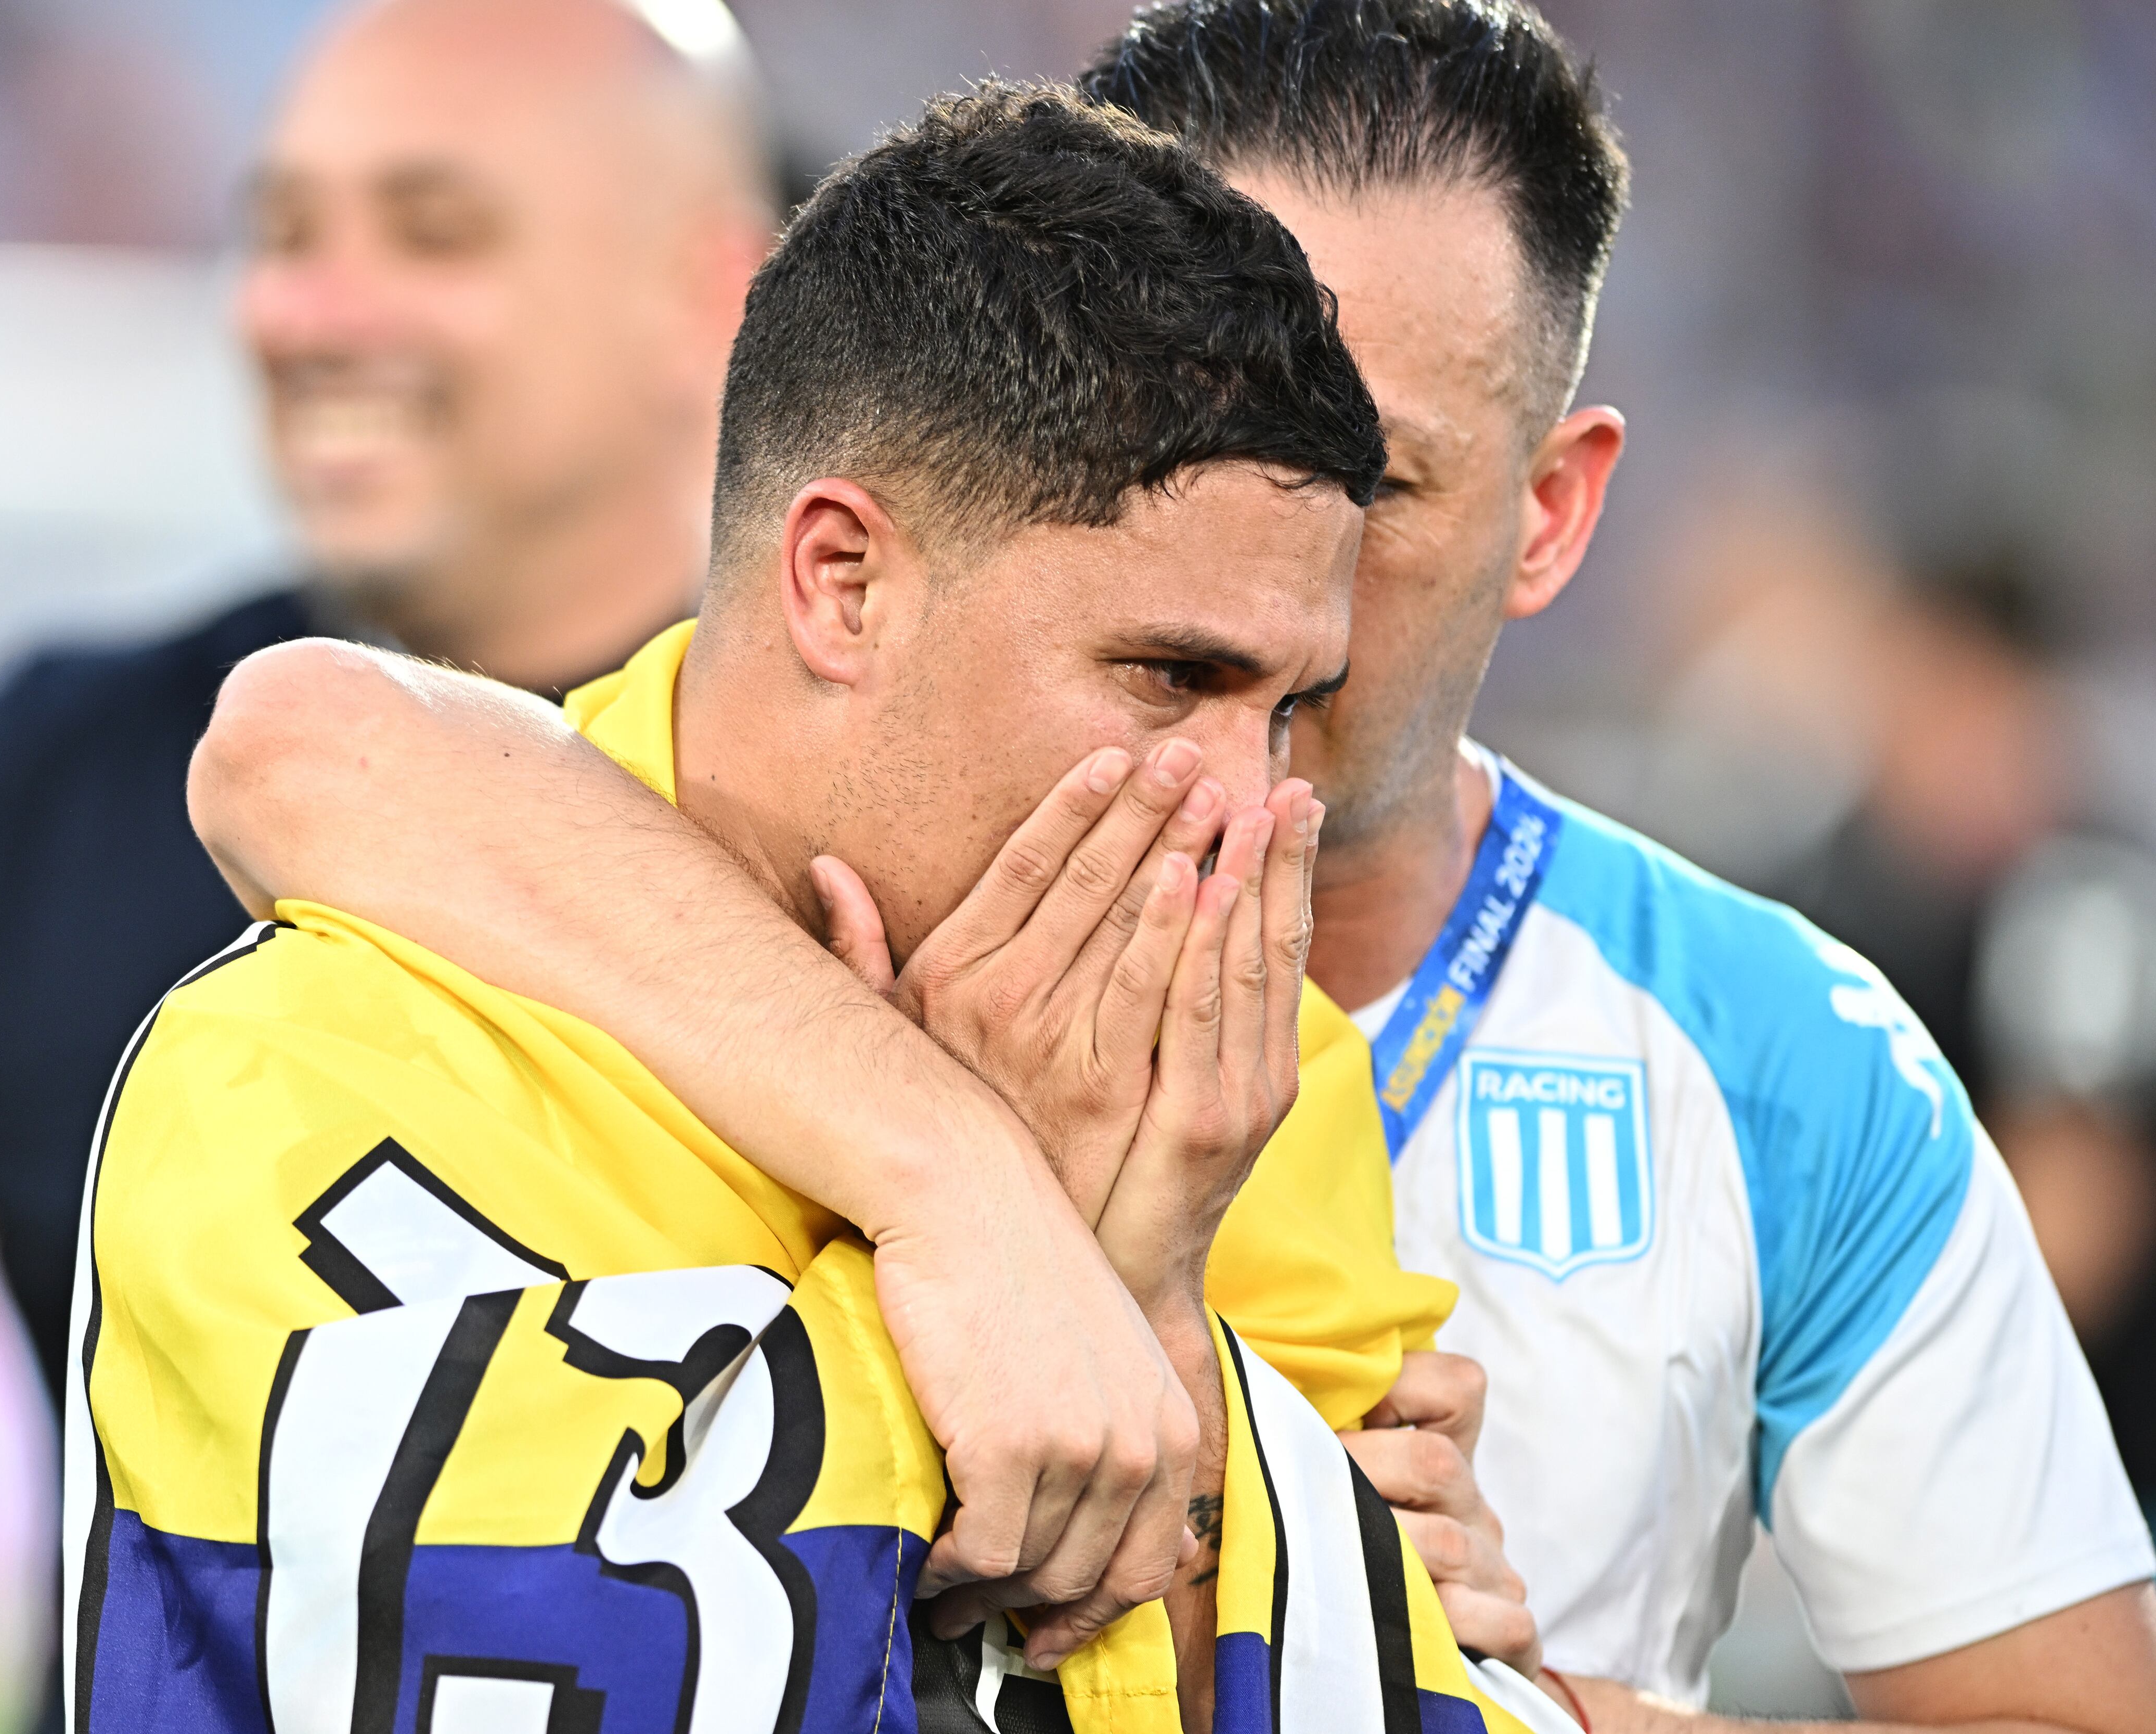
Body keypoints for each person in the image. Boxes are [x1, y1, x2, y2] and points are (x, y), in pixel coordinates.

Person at [188, 3, 2156, 1729]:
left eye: (1360, 471)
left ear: (1550, 517)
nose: (1244, 518)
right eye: (1156, 406)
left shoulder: (1774, 1062)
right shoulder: (721, 868)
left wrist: (1481, 1701)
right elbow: (308, 743)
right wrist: (960, 1181)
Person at [0, 2, 1322, 1722]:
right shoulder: (60, 773)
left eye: (435, 231)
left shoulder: (1031, 795)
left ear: (717, 290)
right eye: (279, 232)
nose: (307, 311)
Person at [86, 82, 1564, 1734]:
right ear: (843, 581)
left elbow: (1400, 1671)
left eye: (1288, 706)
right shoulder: (310, 1067)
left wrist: (1187, 1431)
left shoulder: (1242, 1065)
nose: (1251, 809)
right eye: (1171, 676)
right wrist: (1035, 1234)